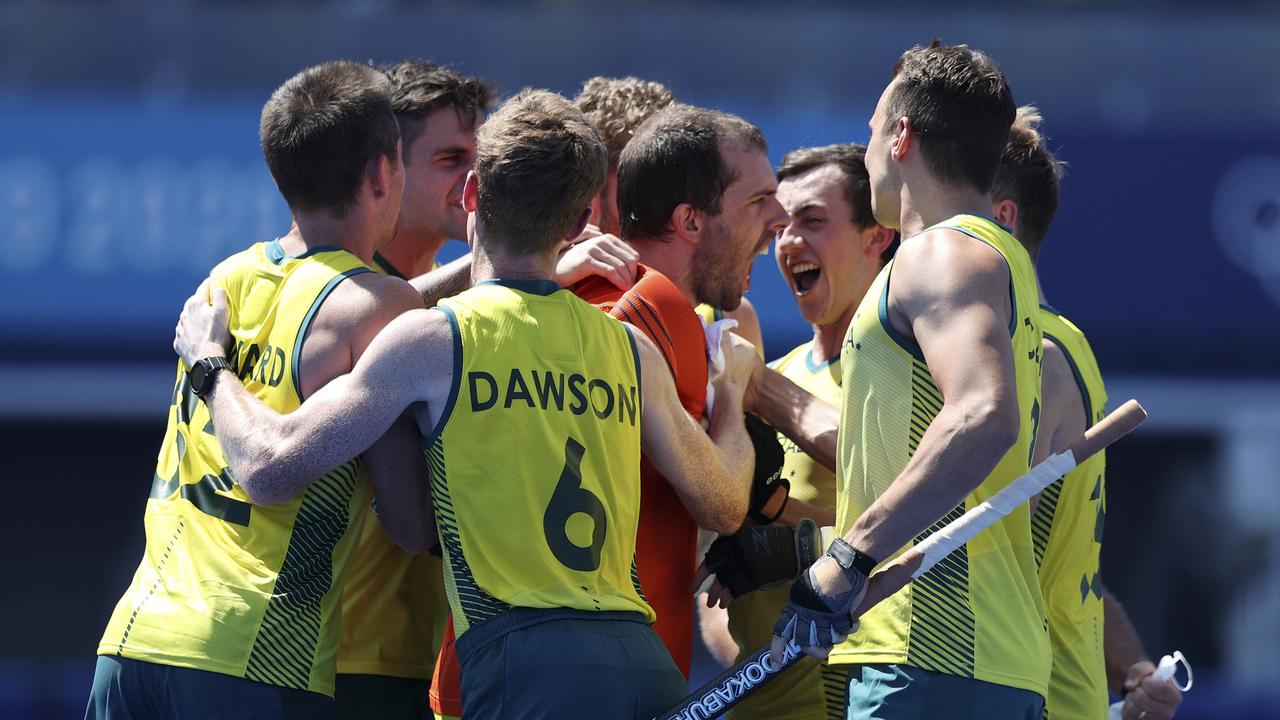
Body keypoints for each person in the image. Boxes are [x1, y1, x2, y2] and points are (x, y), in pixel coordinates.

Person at [172, 89, 758, 720]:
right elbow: (724, 503)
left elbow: (268, 466)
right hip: (641, 662)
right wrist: (732, 400)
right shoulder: (630, 346)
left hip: (520, 664)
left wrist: (210, 368)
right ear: (578, 221)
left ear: (473, 192)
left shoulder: (433, 339)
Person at [87, 60, 434, 719]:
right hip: (252, 656)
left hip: (132, 641)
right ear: (383, 173)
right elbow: (409, 522)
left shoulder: (223, 281)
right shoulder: (377, 305)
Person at [766, 41, 1050, 719]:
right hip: (985, 659)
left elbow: (983, 414)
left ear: (901, 137)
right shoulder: (1001, 266)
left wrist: (849, 556)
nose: (865, 153)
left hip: (931, 655)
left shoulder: (941, 253)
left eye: (869, 132)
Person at [990, 106, 1183, 720]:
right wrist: (1133, 672)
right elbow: (1070, 576)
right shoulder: (1058, 343)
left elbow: (960, 542)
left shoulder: (1033, 357)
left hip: (1023, 695)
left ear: (1001, 220)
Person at [700, 143, 899, 720]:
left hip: (858, 696)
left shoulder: (906, 368)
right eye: (783, 226)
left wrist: (796, 552)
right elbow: (716, 560)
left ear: (877, 236)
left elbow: (922, 513)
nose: (788, 242)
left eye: (813, 221)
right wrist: (752, 665)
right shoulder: (766, 373)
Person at [334, 59, 493, 720]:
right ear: (385, 169)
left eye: (482, 159)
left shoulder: (465, 302)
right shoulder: (339, 298)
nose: (476, 180)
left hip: (427, 661)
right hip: (347, 662)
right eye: (452, 159)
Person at [572, 77, 767, 349]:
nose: (671, 203)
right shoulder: (549, 296)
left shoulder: (732, 319)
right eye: (643, 182)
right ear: (590, 197)